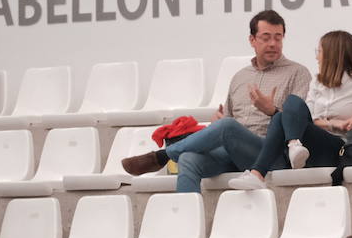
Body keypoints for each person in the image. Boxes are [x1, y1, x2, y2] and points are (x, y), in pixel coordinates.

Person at [121, 10, 312, 192]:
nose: (273, 43)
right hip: (234, 152)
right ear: (252, 40)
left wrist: (272, 111)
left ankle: (162, 156)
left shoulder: (298, 73)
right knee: (188, 158)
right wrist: (218, 124)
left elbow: (301, 122)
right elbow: (229, 122)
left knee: (227, 127)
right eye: (266, 37)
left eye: (278, 37)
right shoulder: (240, 77)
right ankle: (188, 220)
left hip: (271, 155)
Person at [231, 29, 352, 187]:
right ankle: (293, 146)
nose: (317, 57)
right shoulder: (317, 82)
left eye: (319, 51)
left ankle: (259, 171)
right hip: (314, 147)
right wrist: (332, 124)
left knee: (281, 114)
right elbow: (309, 118)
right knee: (289, 107)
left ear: (332, 54)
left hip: (341, 149)